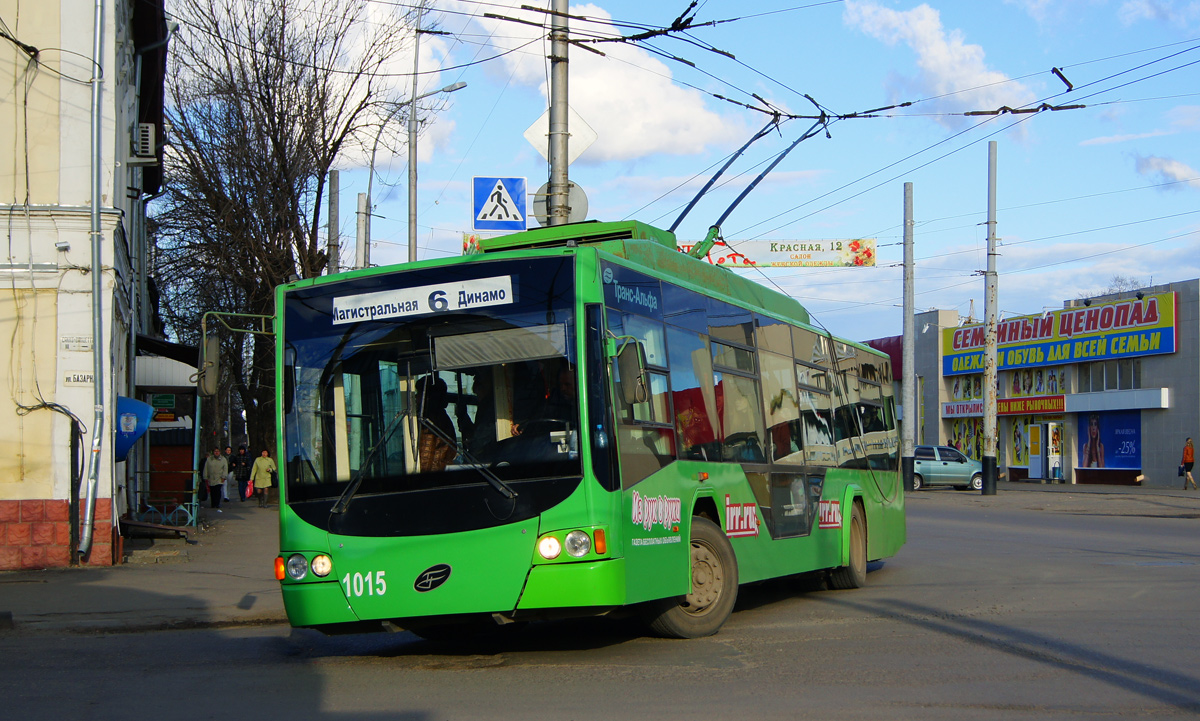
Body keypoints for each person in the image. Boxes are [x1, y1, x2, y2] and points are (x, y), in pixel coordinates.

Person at [416, 376, 456, 473]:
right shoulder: (443, 418)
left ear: (427, 397)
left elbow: (424, 458)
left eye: (419, 393)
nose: (416, 397)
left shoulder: (429, 421)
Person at [202, 447, 228, 511]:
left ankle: (217, 503)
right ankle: (213, 504)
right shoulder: (209, 459)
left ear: (220, 452)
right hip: (211, 478)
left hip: (219, 478)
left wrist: (224, 476)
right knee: (212, 491)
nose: (216, 452)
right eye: (215, 451)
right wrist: (205, 477)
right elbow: (206, 468)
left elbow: (225, 468)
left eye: (218, 451)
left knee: (218, 491)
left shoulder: (223, 459)